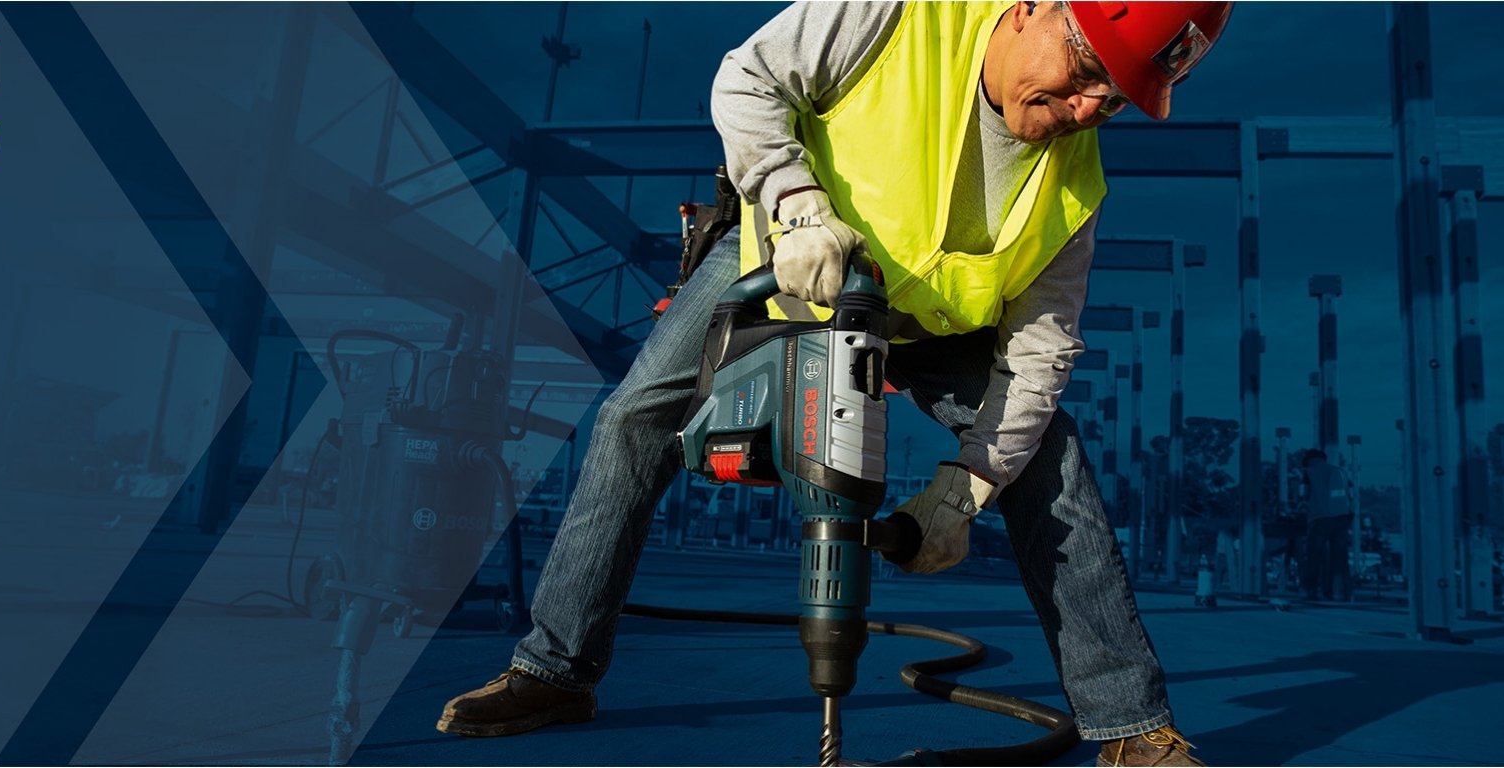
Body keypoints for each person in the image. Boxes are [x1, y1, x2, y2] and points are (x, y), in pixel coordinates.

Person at [437, 3, 1233, 766]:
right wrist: (795, 207)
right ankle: (554, 671)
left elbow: (1039, 353)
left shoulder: (1075, 190)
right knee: (635, 423)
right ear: (1030, 7)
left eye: (1118, 97)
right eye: (1088, 64)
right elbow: (748, 79)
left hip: (924, 325)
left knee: (1049, 462)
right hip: (793, 257)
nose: (1089, 104)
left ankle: (1133, 728)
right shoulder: (908, 13)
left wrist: (969, 486)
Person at [1299, 449, 1354, 601]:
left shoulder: (1310, 472)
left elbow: (1303, 496)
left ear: (1309, 460)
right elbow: (1349, 495)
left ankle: (1312, 590)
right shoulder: (1340, 471)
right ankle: (1340, 593)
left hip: (1321, 518)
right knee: (1340, 557)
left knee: (1314, 555)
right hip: (1343, 518)